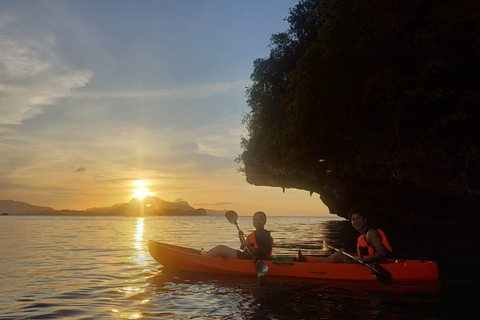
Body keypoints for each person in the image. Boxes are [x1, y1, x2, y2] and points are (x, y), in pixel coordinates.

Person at [321, 208, 393, 263]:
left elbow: (382, 253)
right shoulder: (364, 235)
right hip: (371, 261)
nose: (356, 221)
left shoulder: (371, 233)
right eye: (353, 219)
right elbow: (366, 253)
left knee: (340, 256)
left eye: (358, 218)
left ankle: (317, 267)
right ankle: (319, 264)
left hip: (382, 264)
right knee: (340, 253)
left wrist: (363, 260)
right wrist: (346, 252)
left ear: (365, 220)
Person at [205, 211, 273, 260]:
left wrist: (248, 245)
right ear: (253, 220)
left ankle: (203, 259)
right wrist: (241, 237)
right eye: (256, 219)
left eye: (261, 220)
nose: (258, 222)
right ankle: (205, 256)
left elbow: (261, 254)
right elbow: (244, 248)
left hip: (251, 259)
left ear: (265, 222)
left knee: (220, 248)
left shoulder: (265, 236)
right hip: (247, 256)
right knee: (220, 253)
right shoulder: (254, 234)